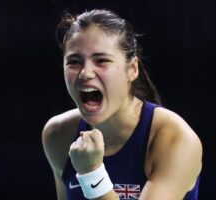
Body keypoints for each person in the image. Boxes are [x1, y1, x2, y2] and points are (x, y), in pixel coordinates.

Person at [42, 9, 202, 200]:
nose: (85, 73)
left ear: (132, 70)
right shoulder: (58, 134)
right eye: (74, 62)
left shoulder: (175, 139)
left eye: (101, 60)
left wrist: (92, 174)